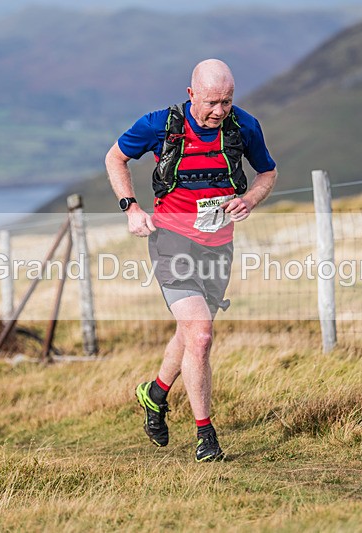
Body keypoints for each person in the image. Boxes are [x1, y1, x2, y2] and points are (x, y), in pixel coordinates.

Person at [105, 59, 277, 462]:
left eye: (227, 102)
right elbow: (115, 158)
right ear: (191, 95)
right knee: (200, 335)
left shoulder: (243, 127)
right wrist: (131, 208)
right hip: (171, 242)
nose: (220, 111)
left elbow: (267, 173)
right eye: (212, 102)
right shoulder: (159, 125)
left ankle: (155, 394)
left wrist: (249, 199)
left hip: (219, 247)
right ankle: (206, 437)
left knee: (189, 334)